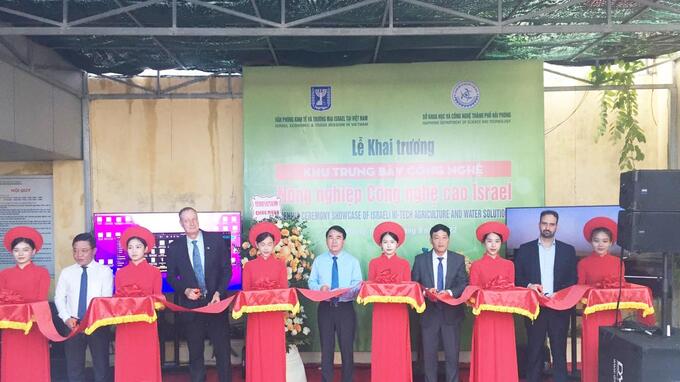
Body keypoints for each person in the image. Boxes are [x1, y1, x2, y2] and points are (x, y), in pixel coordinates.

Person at [166, 207, 232, 382]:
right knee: (195, 354)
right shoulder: (175, 248)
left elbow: (227, 271)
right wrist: (185, 290)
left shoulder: (216, 240)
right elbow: (171, 276)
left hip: (216, 305)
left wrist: (219, 292)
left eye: (193, 218)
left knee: (222, 351)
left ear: (198, 219)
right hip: (191, 309)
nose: (191, 223)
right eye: (186, 220)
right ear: (181, 224)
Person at [514, 210, 577, 382]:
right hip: (535, 308)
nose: (547, 227)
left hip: (559, 308)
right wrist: (529, 286)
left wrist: (560, 293)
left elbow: (573, 280)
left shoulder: (568, 250)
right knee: (534, 352)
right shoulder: (525, 250)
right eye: (544, 223)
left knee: (559, 352)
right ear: (539, 224)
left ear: (556, 226)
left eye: (551, 224)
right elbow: (517, 279)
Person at [411, 223, 469, 382]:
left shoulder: (458, 259)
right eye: (436, 238)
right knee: (429, 358)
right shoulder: (420, 260)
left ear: (449, 240)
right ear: (431, 240)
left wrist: (449, 293)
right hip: (429, 314)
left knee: (452, 356)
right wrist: (426, 292)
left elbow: (463, 283)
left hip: (452, 314)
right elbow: (414, 284)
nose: (440, 241)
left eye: (444, 238)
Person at [55, 232, 114, 382]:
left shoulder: (104, 271)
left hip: (97, 324)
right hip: (72, 324)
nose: (78, 254)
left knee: (101, 367)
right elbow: (59, 298)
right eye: (75, 250)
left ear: (94, 251)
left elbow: (105, 300)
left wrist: (93, 320)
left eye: (84, 250)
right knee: (74, 369)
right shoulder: (67, 273)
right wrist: (66, 318)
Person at [308, 225, 363, 382]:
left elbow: (358, 284)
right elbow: (311, 282)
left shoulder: (352, 261)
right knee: (327, 348)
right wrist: (321, 288)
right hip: (325, 308)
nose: (334, 241)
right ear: (326, 240)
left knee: (347, 349)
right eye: (331, 237)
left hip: (345, 308)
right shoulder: (319, 261)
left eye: (338, 237)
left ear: (343, 241)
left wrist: (346, 291)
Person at [469, 221, 518, 382]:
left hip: (504, 315)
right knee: (486, 350)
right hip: (485, 316)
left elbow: (511, 291)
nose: (493, 245)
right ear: (483, 243)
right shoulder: (476, 265)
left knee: (505, 351)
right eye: (489, 241)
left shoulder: (509, 265)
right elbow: (473, 292)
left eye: (496, 241)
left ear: (501, 243)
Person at [0, 226, 51, 382]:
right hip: (12, 328)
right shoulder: (4, 275)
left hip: (35, 325)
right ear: (11, 252)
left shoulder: (42, 273)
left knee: (34, 364)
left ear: (34, 252)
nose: (20, 254)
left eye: (25, 249)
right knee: (13, 363)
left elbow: (40, 299)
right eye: (16, 250)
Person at [114, 225, 163, 382]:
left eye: (138, 247)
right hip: (126, 325)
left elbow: (158, 299)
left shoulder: (155, 272)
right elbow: (117, 299)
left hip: (146, 324)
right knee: (127, 360)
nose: (133, 250)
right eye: (130, 247)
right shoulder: (120, 273)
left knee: (146, 360)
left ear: (146, 249)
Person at [577, 217, 623, 382]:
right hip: (592, 314)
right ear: (591, 242)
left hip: (611, 314)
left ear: (611, 242)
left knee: (612, 350)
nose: (600, 244)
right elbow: (580, 289)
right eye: (596, 241)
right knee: (591, 351)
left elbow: (621, 289)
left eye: (605, 240)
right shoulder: (583, 263)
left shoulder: (618, 263)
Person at [242, 222, 288, 382]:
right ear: (256, 245)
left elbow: (284, 292)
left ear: (274, 244)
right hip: (256, 318)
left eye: (270, 244)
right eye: (263, 244)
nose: (267, 248)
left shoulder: (280, 265)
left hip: (274, 317)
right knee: (257, 351)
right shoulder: (249, 266)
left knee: (274, 352)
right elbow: (245, 293)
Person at [367, 221, 413, 382]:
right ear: (380, 244)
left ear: (397, 244)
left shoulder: (404, 264)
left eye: (392, 242)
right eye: (385, 242)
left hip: (399, 312)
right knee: (382, 348)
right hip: (380, 312)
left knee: (398, 348)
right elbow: (370, 289)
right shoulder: (374, 263)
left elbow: (409, 291)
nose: (388, 245)